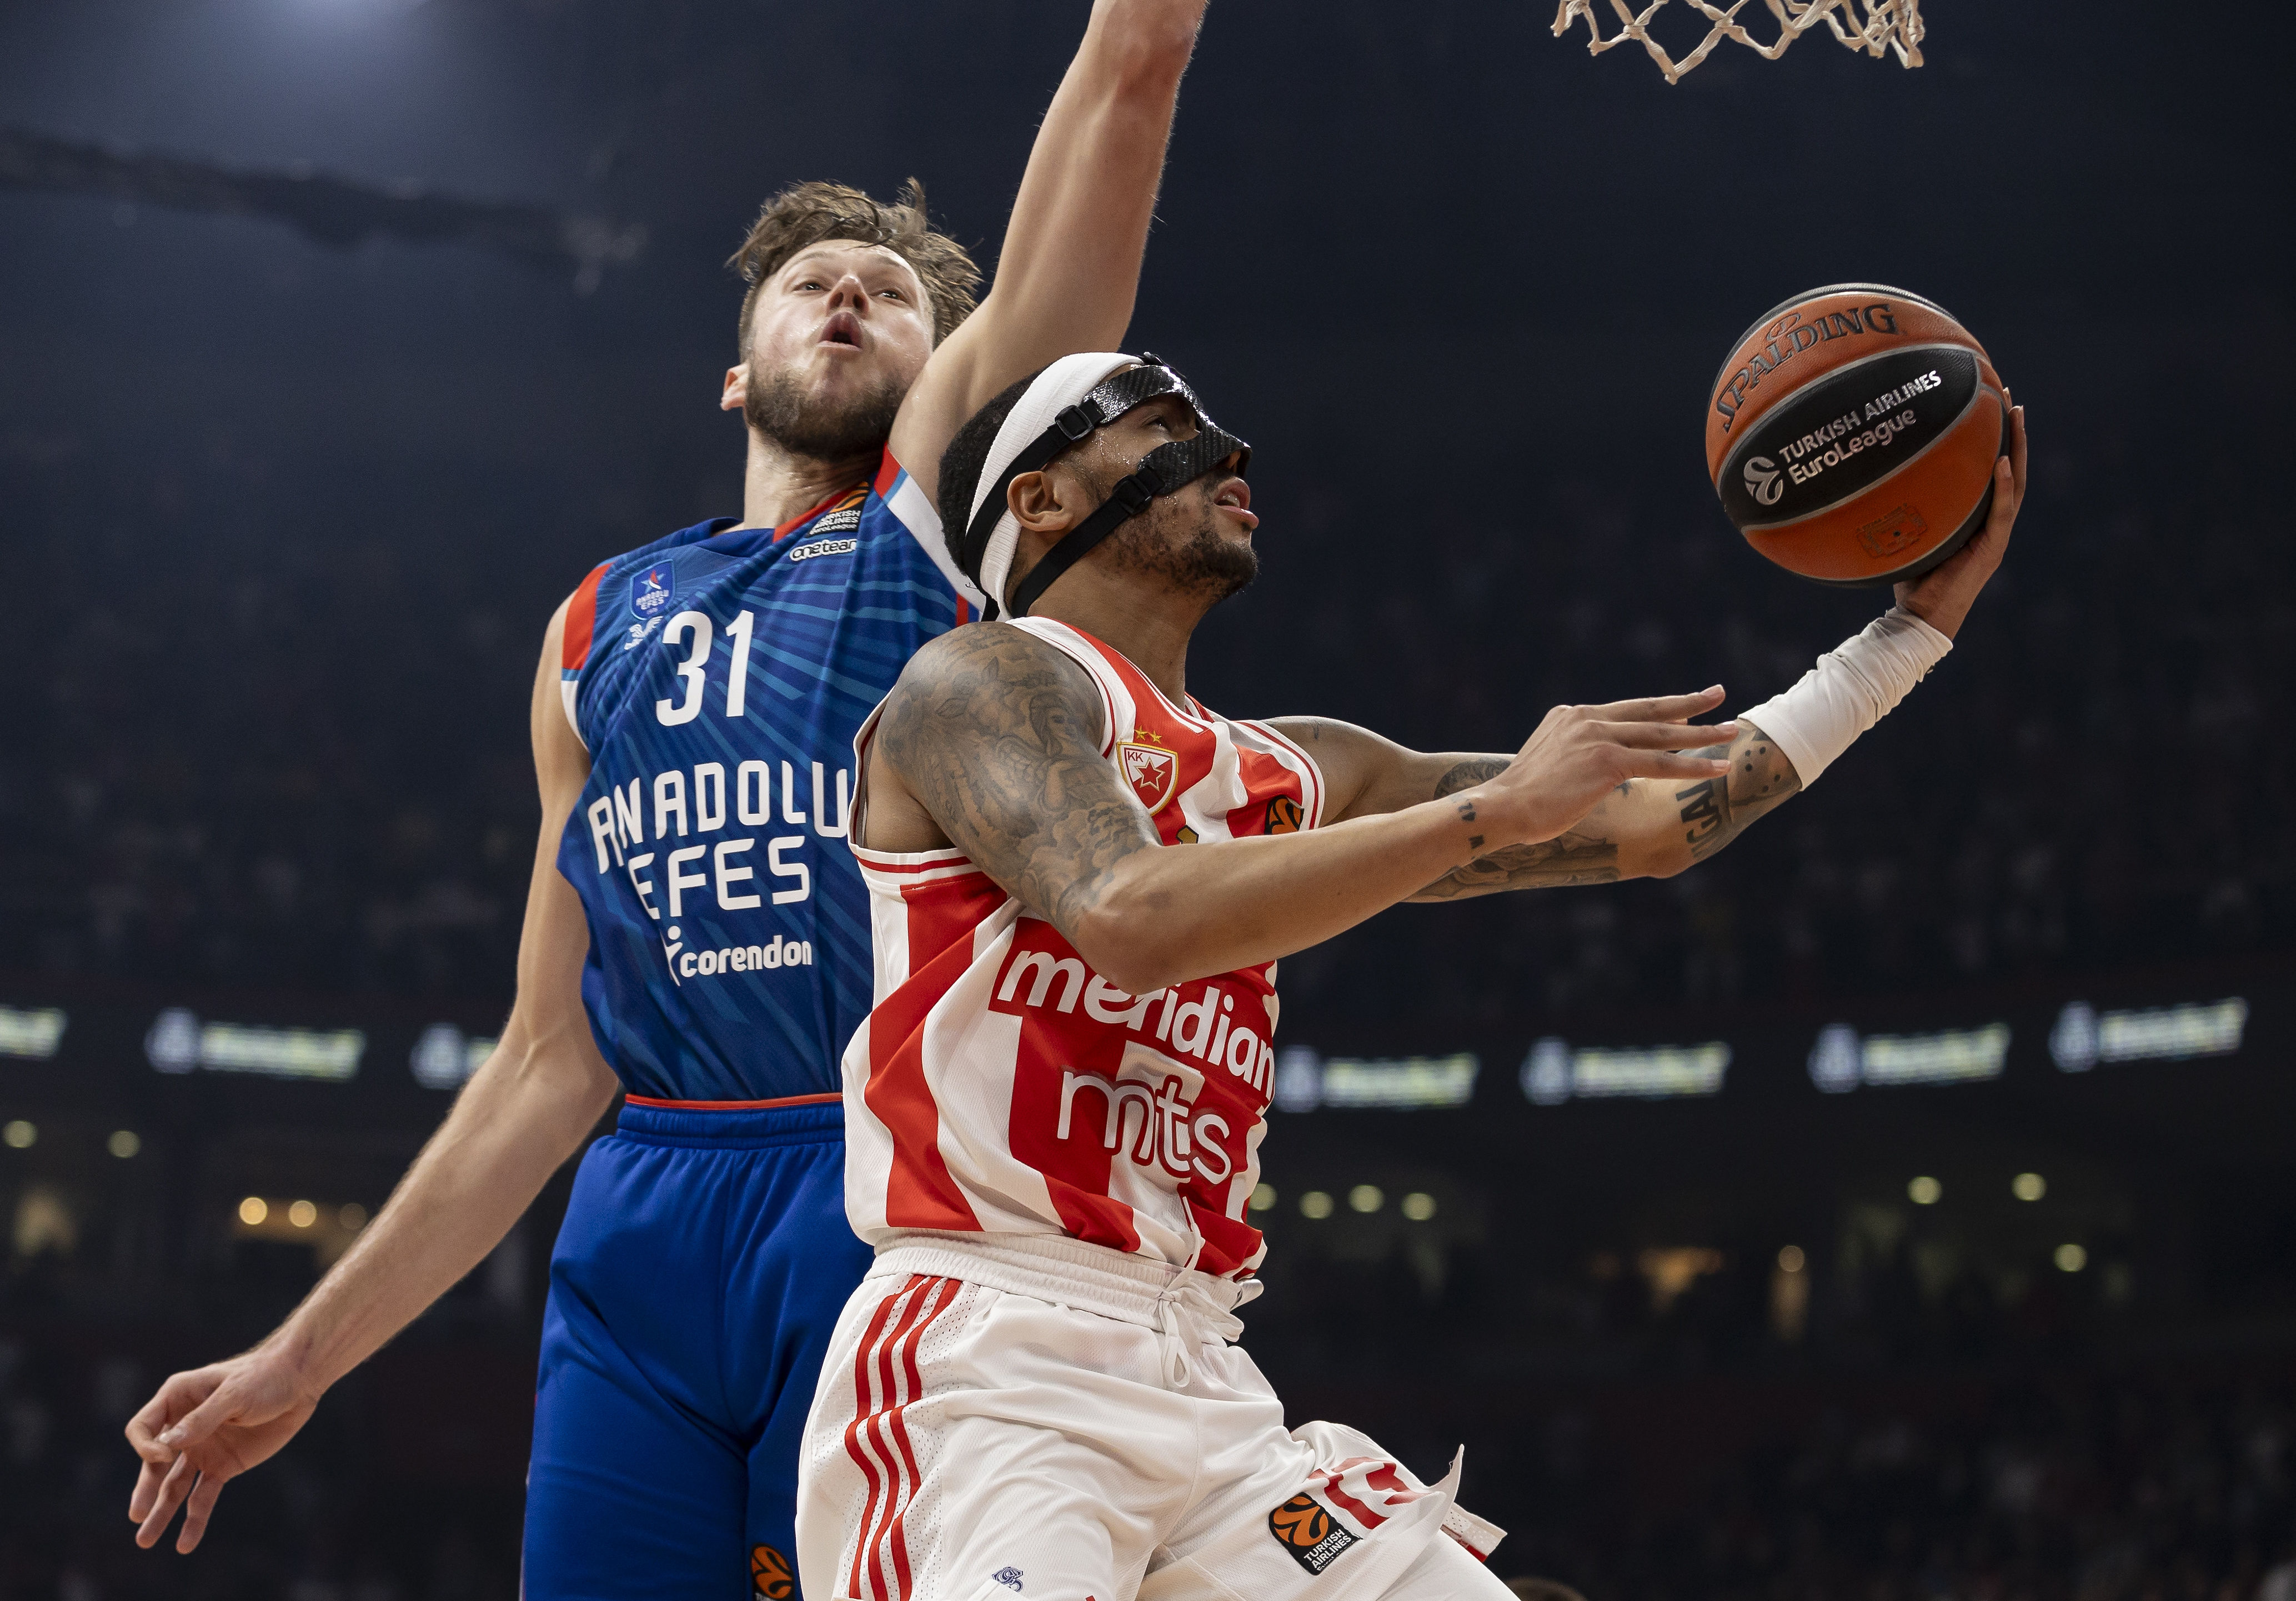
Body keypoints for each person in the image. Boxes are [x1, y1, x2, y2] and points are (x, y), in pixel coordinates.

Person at [123, 6, 1210, 1594]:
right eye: (811, 281)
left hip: (879, 1194)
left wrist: (1144, 37)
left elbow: (1113, 115)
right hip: (643, 1216)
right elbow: (545, 1063)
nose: (851, 292)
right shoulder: (589, 627)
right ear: (734, 371)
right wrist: (299, 1361)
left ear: (949, 388)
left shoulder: (931, 535)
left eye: (894, 294)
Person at [796, 352, 2027, 1600]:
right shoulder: (975, 682)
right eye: (1164, 423)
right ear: (1042, 499)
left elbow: (1663, 821)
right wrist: (1487, 813)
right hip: (994, 1364)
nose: (1230, 452)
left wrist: (1907, 636)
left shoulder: (1303, 770)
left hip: (1204, 1374)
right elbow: (1129, 914)